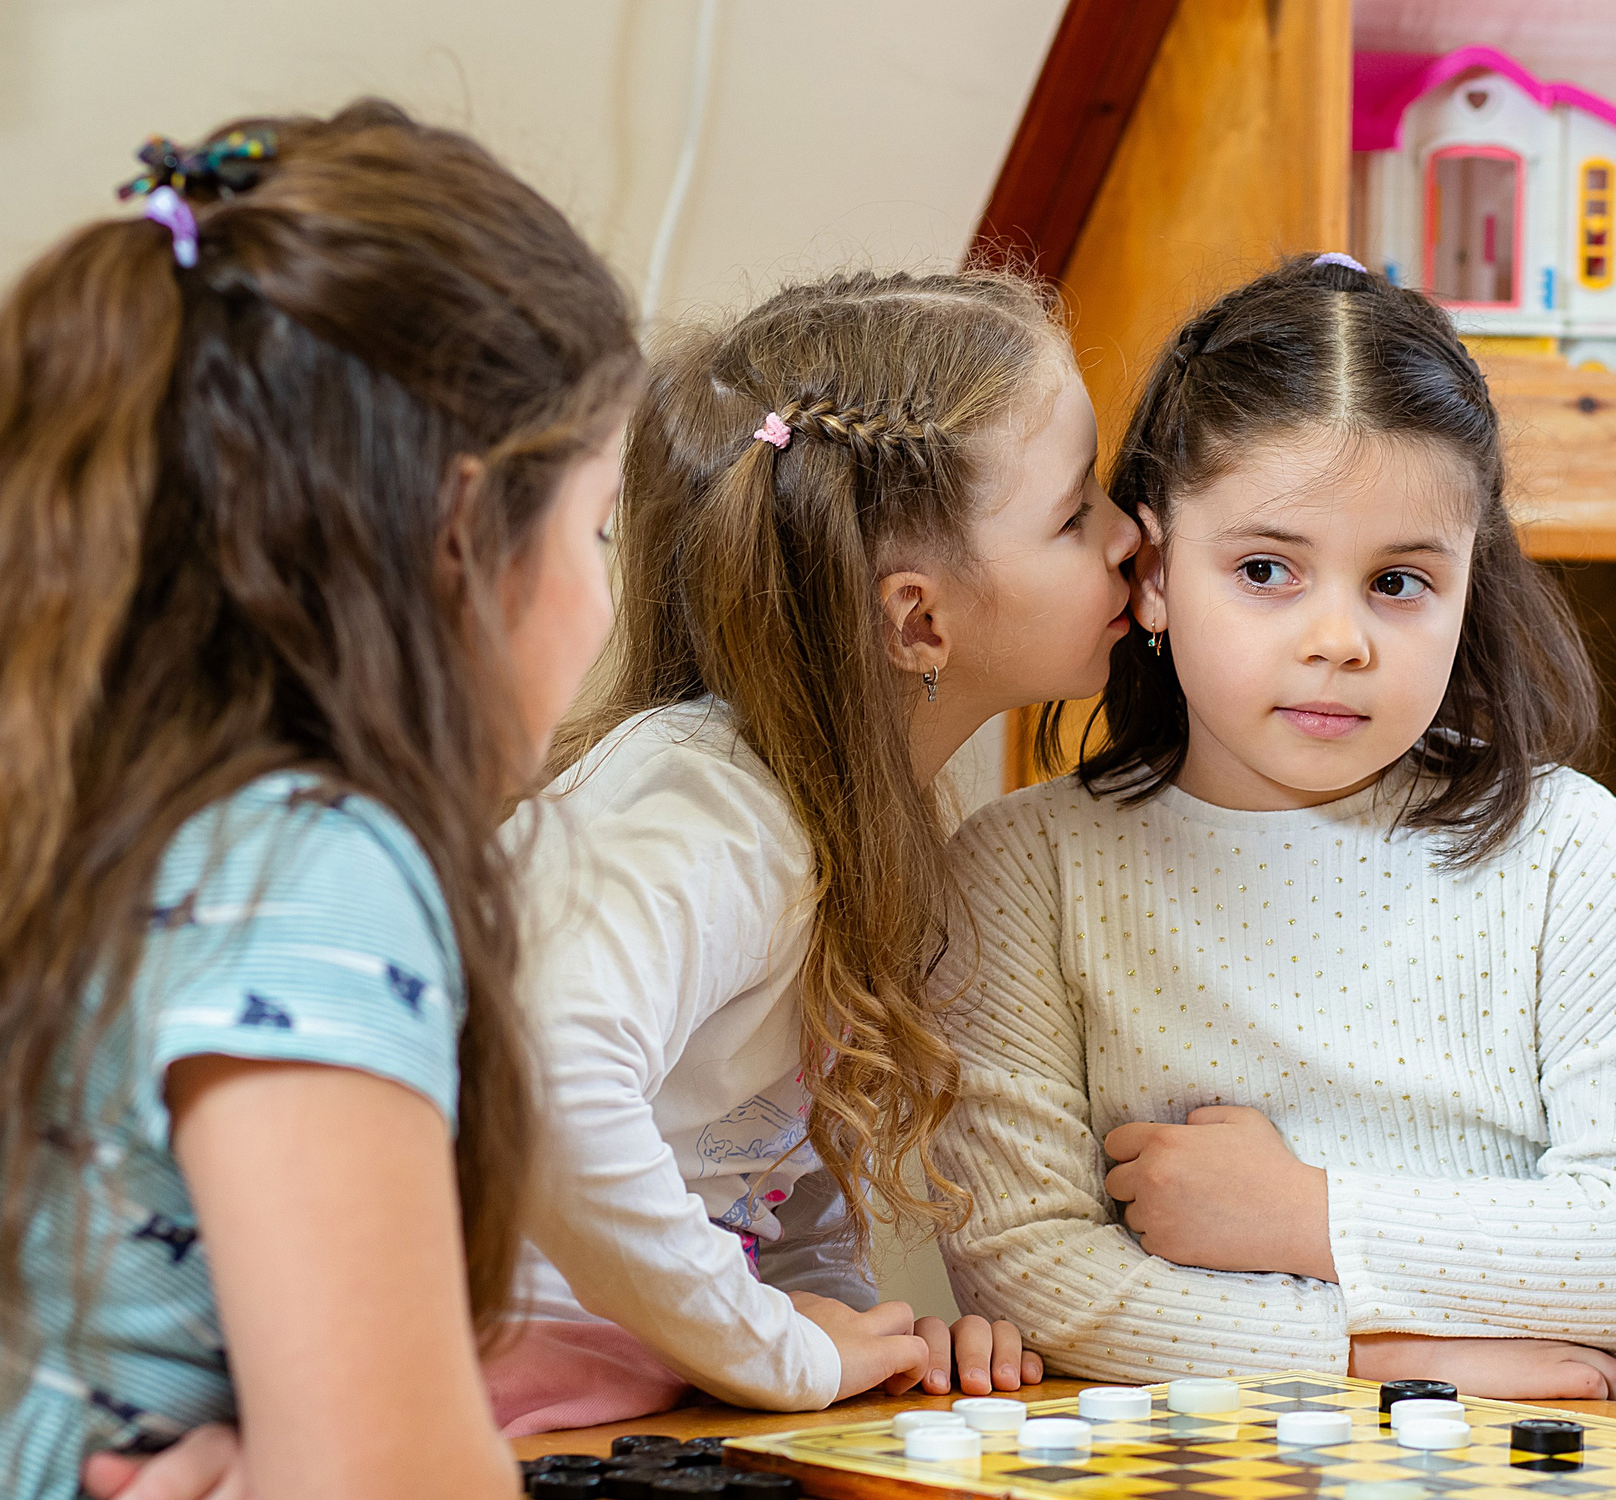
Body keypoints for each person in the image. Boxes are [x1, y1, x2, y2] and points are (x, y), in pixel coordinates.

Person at [0, 103, 641, 1500]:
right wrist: (337, 1481)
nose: (607, 589)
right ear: (458, 529)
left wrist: (274, 1460)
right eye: (601, 524)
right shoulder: (308, 863)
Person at [933, 254, 1616, 1407]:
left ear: (1471, 583)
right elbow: (1030, 1279)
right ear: (1153, 572)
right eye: (1266, 569)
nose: (1338, 639)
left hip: (1558, 1496)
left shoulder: (1569, 847)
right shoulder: (1026, 870)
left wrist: (1302, 1217)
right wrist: (1391, 1366)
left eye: (1399, 583)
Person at [488, 271, 1146, 1427]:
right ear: (917, 621)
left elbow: (763, 1184)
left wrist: (863, 1338)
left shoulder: (845, 817)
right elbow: (544, 1073)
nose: (1128, 535)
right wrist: (778, 1352)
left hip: (617, 1392)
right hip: (481, 1390)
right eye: (1074, 510)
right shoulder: (712, 816)